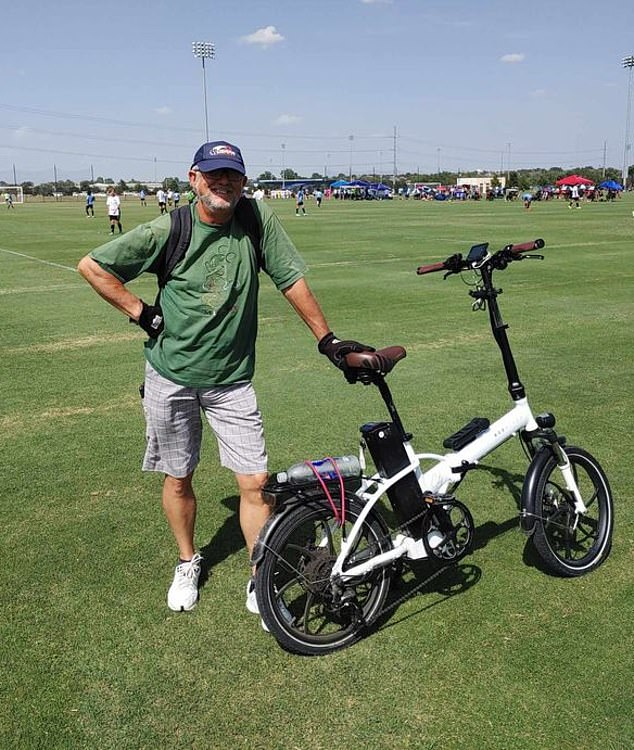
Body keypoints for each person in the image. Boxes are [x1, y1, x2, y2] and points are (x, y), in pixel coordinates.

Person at [77, 139, 372, 619]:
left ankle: (260, 575)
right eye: (214, 175)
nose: (224, 183)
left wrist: (327, 339)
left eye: (232, 175)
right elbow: (93, 265)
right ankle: (187, 561)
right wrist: (141, 313)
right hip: (171, 376)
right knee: (179, 478)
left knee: (255, 481)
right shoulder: (170, 227)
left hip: (232, 379)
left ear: (243, 181)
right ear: (193, 179)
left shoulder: (255, 221)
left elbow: (291, 280)